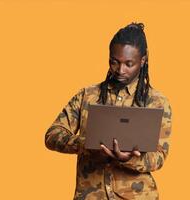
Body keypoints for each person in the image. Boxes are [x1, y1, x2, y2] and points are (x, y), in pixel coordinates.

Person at [45, 22, 172, 200]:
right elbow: (52, 135)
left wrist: (128, 159)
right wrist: (87, 144)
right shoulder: (87, 95)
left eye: (129, 64)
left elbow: (159, 157)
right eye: (114, 62)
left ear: (142, 61)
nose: (120, 70)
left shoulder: (157, 102)